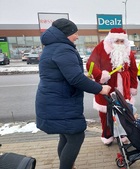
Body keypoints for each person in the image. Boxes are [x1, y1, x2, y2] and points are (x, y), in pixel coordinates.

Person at [35, 18, 111, 169]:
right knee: (76, 136)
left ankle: (68, 165)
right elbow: (75, 79)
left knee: (65, 136)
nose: (77, 36)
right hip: (61, 102)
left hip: (55, 100)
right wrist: (100, 89)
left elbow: (67, 75)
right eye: (75, 33)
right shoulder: (63, 49)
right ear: (67, 33)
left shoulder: (53, 47)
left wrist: (84, 78)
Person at [86, 27, 138, 145]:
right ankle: (107, 134)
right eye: (116, 41)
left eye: (121, 41)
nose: (119, 44)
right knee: (105, 112)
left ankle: (123, 134)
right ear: (111, 40)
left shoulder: (127, 50)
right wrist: (100, 75)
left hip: (124, 87)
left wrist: (133, 86)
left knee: (124, 111)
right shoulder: (101, 48)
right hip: (107, 86)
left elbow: (133, 70)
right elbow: (90, 64)